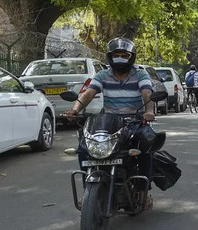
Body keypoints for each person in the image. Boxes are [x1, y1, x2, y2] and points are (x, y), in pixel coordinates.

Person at [65, 37, 158, 211]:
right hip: (109, 123)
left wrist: (149, 111)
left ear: (131, 57)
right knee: (84, 146)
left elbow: (147, 93)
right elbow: (88, 94)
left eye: (125, 55)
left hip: (135, 121)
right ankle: (88, 192)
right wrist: (76, 109)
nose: (121, 58)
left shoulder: (140, 73)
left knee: (147, 145)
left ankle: (143, 190)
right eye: (117, 55)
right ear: (110, 56)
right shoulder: (102, 75)